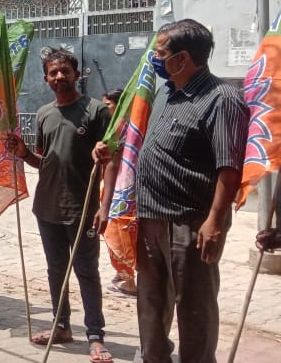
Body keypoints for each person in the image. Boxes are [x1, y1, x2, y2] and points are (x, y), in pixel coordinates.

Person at [95, 19, 249, 363]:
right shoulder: (164, 93)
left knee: (193, 309)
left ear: (182, 58)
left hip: (191, 224)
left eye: (160, 53)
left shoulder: (222, 99)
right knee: (150, 305)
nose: (154, 59)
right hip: (150, 218)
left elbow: (229, 169)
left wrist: (215, 221)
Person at [6, 48, 113, 361]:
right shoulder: (43, 114)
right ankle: (61, 326)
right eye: (52, 72)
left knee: (86, 271)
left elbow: (111, 162)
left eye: (64, 71)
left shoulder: (96, 111)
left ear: (76, 74)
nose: (59, 76)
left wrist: (105, 205)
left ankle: (95, 335)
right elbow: (44, 161)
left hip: (83, 209)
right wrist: (23, 153)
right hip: (47, 207)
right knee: (56, 270)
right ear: (45, 78)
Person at [98, 88, 137, 297]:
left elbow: (114, 162)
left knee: (118, 232)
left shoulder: (123, 130)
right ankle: (123, 275)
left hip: (122, 190)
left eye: (108, 105)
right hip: (118, 188)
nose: (105, 110)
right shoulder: (122, 127)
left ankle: (128, 281)